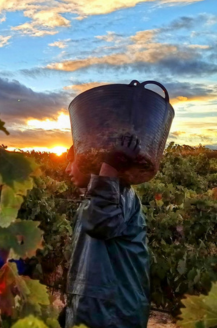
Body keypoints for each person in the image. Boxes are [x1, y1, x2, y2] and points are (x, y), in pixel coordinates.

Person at [61, 136, 150, 328]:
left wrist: (109, 168)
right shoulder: (95, 201)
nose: (67, 169)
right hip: (99, 312)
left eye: (70, 162)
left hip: (113, 317)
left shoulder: (119, 195)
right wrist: (71, 309)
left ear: (89, 162)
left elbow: (102, 223)